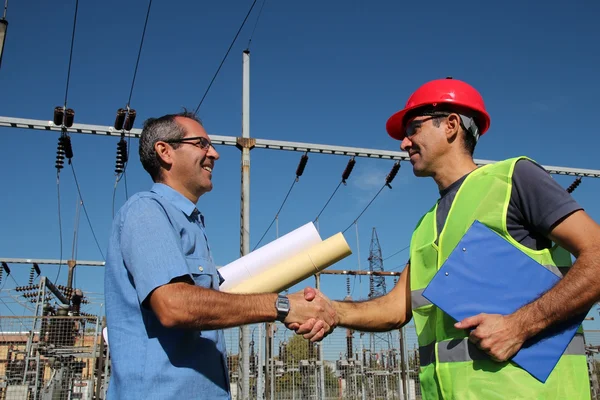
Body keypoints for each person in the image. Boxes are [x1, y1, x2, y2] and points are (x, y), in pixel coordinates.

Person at [293, 78, 600, 399]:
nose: (404, 143)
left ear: (451, 125)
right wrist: (334, 311)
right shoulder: (426, 226)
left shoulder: (513, 179)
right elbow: (397, 308)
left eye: (413, 128)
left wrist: (520, 325)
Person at [104, 111, 337, 399]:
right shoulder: (146, 211)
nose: (214, 153)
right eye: (201, 143)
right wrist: (282, 306)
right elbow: (174, 305)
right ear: (165, 151)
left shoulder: (190, 224)